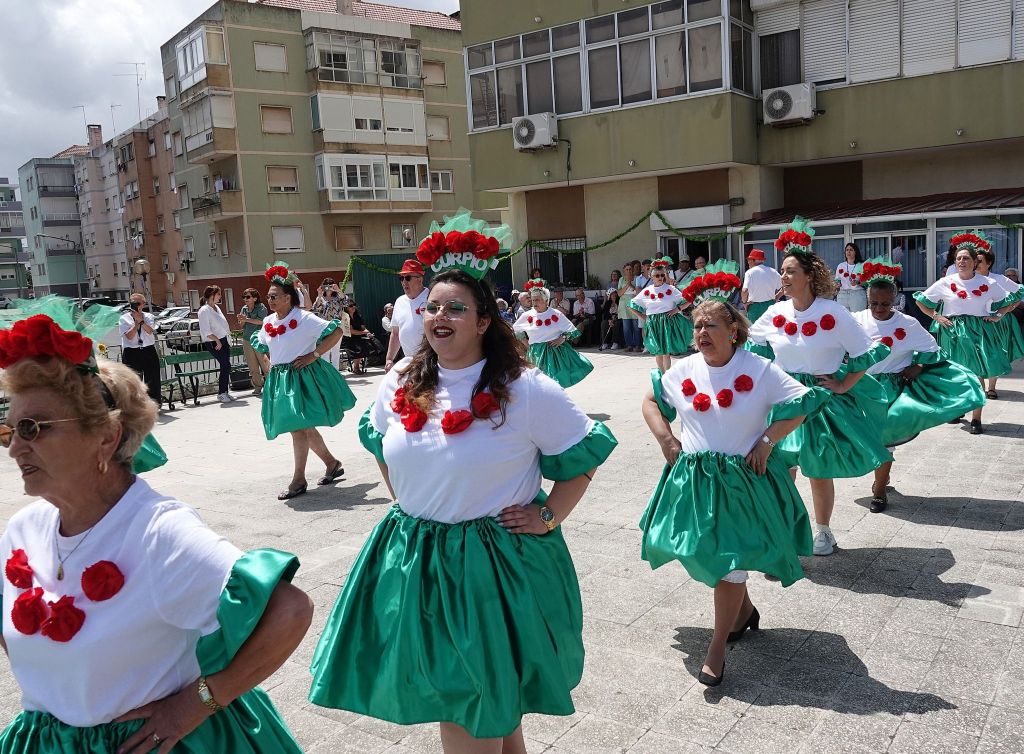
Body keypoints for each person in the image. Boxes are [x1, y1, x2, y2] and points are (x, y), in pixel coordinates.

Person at [309, 223, 617, 752]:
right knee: (490, 705)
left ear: (484, 320)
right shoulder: (403, 377)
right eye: (432, 306)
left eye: (454, 308)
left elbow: (584, 455)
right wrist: (409, 499)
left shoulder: (524, 387)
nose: (438, 317)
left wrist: (549, 515)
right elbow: (381, 443)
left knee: (468, 704)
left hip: (492, 566)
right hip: (417, 558)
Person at [0, 313, 312, 754]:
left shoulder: (158, 532)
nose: (14, 447)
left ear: (106, 438)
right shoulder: (23, 528)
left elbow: (290, 610)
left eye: (33, 428)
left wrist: (201, 700)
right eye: (9, 429)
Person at [641, 299, 822, 686]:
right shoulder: (683, 369)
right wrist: (665, 440)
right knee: (700, 553)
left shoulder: (758, 369)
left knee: (729, 563)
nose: (701, 334)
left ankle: (717, 647)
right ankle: (744, 611)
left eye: (710, 326)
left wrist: (769, 440)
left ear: (733, 331)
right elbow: (651, 402)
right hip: (696, 481)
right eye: (697, 327)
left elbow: (803, 403)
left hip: (742, 483)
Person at [747, 218, 892, 556]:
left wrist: (843, 384)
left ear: (809, 276)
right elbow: (748, 343)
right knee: (780, 466)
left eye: (790, 271)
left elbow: (867, 352)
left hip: (819, 401)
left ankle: (823, 531)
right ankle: (783, 528)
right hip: (783, 397)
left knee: (816, 468)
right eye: (781, 270)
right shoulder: (775, 312)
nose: (783, 276)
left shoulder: (833, 312)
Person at [853, 261, 985, 512]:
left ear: (895, 300)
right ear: (867, 299)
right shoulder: (855, 320)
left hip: (892, 388)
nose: (879, 309)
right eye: (874, 303)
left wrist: (920, 367)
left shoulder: (908, 324)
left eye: (885, 303)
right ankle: (881, 475)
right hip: (861, 388)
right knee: (865, 438)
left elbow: (934, 349)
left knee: (886, 438)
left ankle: (879, 491)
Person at [251, 262, 356, 499]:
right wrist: (269, 361)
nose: (270, 300)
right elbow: (264, 344)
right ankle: (331, 463)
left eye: (275, 296)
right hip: (281, 381)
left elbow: (337, 331)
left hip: (302, 378)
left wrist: (313, 355)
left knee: (298, 428)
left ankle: (298, 480)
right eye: (269, 296)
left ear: (289, 297)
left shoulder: (304, 317)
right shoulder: (268, 321)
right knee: (302, 427)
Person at [915, 232, 1018, 434]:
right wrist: (936, 316)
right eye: (959, 258)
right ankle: (957, 409)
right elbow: (921, 301)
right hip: (952, 331)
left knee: (977, 373)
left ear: (975, 262)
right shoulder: (946, 281)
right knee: (955, 373)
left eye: (966, 258)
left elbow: (1013, 298)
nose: (961, 261)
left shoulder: (988, 283)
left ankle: (976, 419)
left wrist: (998, 315)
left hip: (978, 332)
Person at [513, 280, 594, 388]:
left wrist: (563, 338)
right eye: (533, 300)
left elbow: (573, 331)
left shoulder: (556, 314)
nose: (534, 303)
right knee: (538, 384)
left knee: (555, 384)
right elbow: (516, 329)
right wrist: (525, 342)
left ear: (546, 300)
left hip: (556, 354)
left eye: (537, 300)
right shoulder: (527, 315)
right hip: (537, 353)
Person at [975, 248, 1024, 399]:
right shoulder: (969, 278)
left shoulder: (999, 278)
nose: (976, 264)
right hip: (975, 320)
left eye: (980, 261)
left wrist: (1008, 308)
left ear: (989, 263)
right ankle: (980, 387)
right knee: (977, 354)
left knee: (994, 354)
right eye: (974, 260)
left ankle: (992, 388)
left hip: (996, 321)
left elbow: (1019, 292)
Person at [629, 257, 692, 373]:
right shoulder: (647, 291)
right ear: (652, 277)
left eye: (662, 275)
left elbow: (688, 300)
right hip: (653, 323)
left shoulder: (671, 289)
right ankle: (661, 374)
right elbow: (631, 304)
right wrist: (642, 317)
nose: (660, 278)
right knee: (658, 353)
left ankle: (667, 375)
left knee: (666, 353)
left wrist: (677, 309)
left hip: (667, 322)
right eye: (657, 275)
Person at [385, 259, 428, 372]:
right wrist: (389, 359)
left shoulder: (431, 298)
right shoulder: (399, 301)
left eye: (408, 278)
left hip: (431, 360)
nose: (404, 282)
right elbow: (395, 333)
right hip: (410, 361)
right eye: (401, 278)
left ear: (420, 279)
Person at [118, 293, 161, 406]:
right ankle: (134, 406)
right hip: (132, 352)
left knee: (153, 379)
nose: (135, 305)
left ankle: (154, 404)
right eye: (133, 303)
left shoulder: (148, 316)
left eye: (138, 303)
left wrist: (141, 321)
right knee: (132, 381)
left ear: (143, 304)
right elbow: (129, 336)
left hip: (148, 350)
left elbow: (150, 331)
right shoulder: (124, 318)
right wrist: (136, 323)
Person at [197, 286, 234, 403]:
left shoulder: (216, 307)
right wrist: (216, 340)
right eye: (218, 294)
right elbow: (205, 330)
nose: (220, 296)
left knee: (226, 365)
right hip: (213, 342)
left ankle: (224, 392)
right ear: (212, 295)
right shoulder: (204, 310)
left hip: (223, 340)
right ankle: (221, 393)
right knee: (226, 365)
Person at [237, 288, 268, 397]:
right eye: (244, 297)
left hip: (259, 339)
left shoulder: (261, 308)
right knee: (252, 366)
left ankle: (270, 386)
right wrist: (241, 320)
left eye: (248, 297)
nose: (245, 299)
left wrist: (246, 319)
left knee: (265, 365)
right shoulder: (244, 309)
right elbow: (241, 325)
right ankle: (257, 387)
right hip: (247, 339)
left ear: (255, 298)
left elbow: (261, 321)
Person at [312, 278, 346, 371]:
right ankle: (326, 372)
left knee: (335, 350)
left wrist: (338, 290)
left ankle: (336, 372)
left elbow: (346, 302)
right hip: (324, 326)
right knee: (325, 350)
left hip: (336, 326)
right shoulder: (321, 298)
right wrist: (319, 294)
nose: (328, 287)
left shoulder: (338, 297)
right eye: (326, 284)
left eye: (330, 285)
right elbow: (315, 308)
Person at [741, 249, 781, 323]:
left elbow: (744, 291)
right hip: (770, 305)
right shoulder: (773, 271)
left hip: (755, 307)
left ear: (753, 260)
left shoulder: (749, 273)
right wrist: (776, 297)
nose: (748, 262)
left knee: (755, 332)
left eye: (749, 260)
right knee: (771, 330)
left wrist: (744, 303)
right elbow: (785, 286)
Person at [342, 297, 370, 374]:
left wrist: (368, 333)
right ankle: (356, 367)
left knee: (373, 343)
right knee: (359, 347)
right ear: (346, 308)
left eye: (354, 305)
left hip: (358, 337)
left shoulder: (358, 316)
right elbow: (351, 331)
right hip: (348, 338)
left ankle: (357, 366)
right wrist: (363, 332)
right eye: (351, 306)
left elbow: (363, 328)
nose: (353, 307)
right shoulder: (345, 317)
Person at [835, 242, 866, 312]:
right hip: (842, 294)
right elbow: (837, 280)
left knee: (857, 319)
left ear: (855, 252)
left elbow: (866, 283)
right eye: (847, 250)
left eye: (851, 250)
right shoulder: (841, 265)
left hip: (857, 294)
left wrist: (857, 283)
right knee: (843, 319)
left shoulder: (861, 265)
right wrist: (837, 285)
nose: (848, 252)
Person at [618, 263, 641, 352]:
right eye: (627, 269)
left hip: (634, 304)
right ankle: (629, 345)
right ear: (624, 270)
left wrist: (631, 284)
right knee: (626, 327)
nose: (628, 271)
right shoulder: (621, 279)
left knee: (636, 326)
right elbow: (619, 293)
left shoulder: (637, 279)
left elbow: (638, 292)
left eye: (630, 269)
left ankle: (638, 345)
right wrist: (627, 284)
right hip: (624, 305)